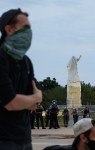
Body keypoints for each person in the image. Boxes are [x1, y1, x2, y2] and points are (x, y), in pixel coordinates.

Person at [0, 8, 42, 150]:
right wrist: (36, 97)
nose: (29, 33)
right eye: (25, 27)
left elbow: (33, 106)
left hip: (24, 138)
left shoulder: (26, 62)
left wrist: (30, 100)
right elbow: (10, 102)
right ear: (9, 30)